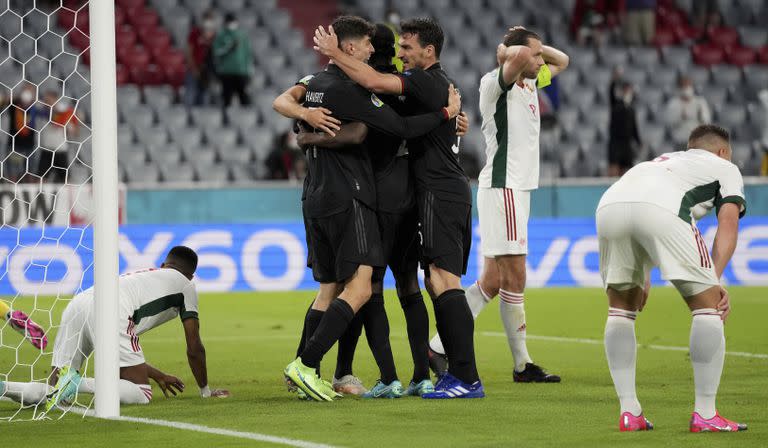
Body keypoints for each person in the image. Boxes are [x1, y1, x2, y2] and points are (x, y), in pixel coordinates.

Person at [278, 15, 462, 402]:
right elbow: (382, 127)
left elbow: (285, 102)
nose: (376, 51)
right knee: (386, 288)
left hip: (327, 194)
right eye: (372, 45)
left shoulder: (315, 82)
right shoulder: (378, 87)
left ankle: (365, 373)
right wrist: (446, 117)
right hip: (374, 197)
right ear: (353, 49)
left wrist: (307, 128)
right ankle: (403, 375)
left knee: (345, 288)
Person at [428, 26, 569, 384]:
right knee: (516, 276)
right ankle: (522, 364)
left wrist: (532, 45)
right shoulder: (495, 83)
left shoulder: (531, 83)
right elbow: (517, 56)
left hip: (518, 190)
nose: (541, 61)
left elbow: (562, 60)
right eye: (534, 55)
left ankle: (437, 346)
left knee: (491, 281)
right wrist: (511, 48)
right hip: (504, 187)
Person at [597, 124, 747, 432]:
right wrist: (713, 280)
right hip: (660, 210)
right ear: (722, 151)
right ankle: (705, 414)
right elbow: (728, 225)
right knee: (709, 308)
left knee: (621, 311)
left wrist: (644, 271)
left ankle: (630, 412)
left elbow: (640, 207)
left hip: (609, 205)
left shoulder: (666, 159)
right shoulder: (725, 167)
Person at [0, 246, 230, 410]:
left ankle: (4, 387)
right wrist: (205, 390)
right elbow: (194, 347)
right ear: (191, 275)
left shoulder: (146, 276)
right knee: (141, 393)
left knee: (55, 391)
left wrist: (159, 375)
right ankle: (78, 383)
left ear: (163, 265)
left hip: (81, 302)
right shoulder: (187, 286)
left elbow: (121, 354)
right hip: (113, 309)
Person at [212, 12, 252, 107]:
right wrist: (228, 48)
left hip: (241, 72)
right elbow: (216, 52)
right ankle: (227, 119)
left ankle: (245, 119)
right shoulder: (221, 35)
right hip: (226, 72)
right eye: (229, 21)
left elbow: (248, 55)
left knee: (244, 99)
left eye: (232, 21)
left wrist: (249, 72)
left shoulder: (242, 36)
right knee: (226, 99)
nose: (231, 24)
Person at [4, 83, 42, 183]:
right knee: (13, 174)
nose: (27, 93)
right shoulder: (14, 104)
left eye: (30, 91)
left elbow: (48, 112)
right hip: (15, 145)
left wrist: (33, 98)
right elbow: (6, 99)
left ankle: (31, 196)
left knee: (30, 173)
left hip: (30, 145)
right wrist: (19, 95)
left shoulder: (35, 107)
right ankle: (12, 195)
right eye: (25, 91)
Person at [665, 75, 712, 149]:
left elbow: (707, 121)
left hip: (697, 142)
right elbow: (669, 123)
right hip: (680, 141)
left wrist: (700, 116)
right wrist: (681, 117)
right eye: (684, 86)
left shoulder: (700, 102)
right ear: (679, 88)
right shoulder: (673, 103)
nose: (687, 89)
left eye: (689, 85)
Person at [608, 80, 641, 176]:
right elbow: (611, 94)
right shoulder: (616, 104)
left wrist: (638, 141)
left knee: (625, 171)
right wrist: (614, 81)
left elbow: (634, 127)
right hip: (616, 142)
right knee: (614, 169)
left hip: (627, 143)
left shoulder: (631, 108)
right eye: (626, 90)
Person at [185, 10, 217, 107]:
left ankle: (202, 118)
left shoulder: (215, 36)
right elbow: (189, 52)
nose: (208, 23)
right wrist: (194, 68)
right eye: (206, 20)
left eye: (210, 20)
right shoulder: (195, 33)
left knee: (204, 96)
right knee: (190, 94)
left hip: (206, 72)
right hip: (193, 70)